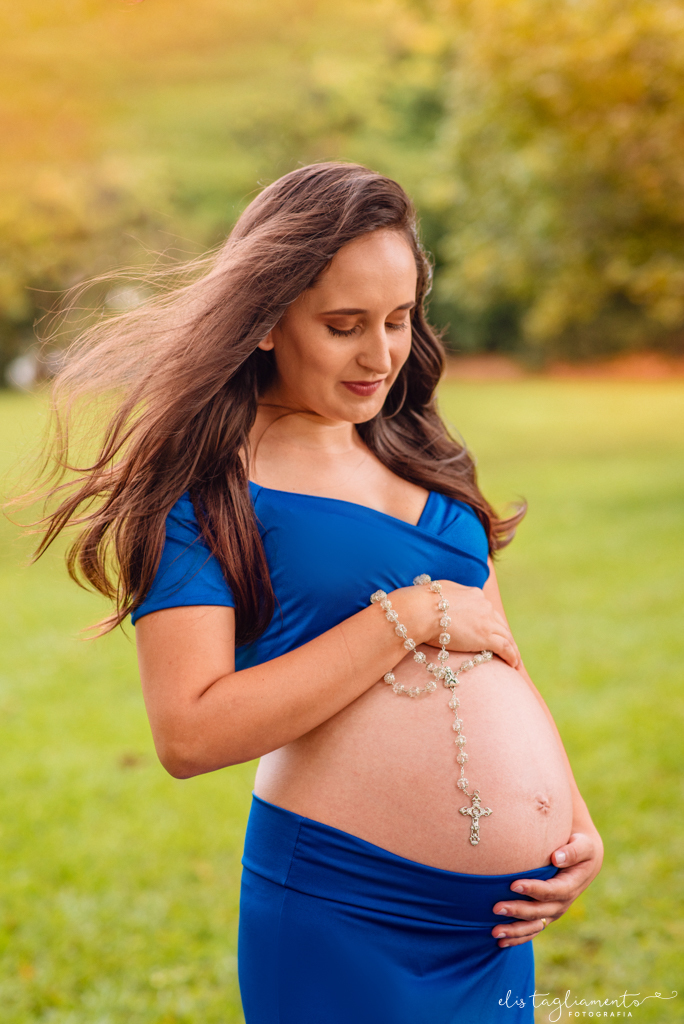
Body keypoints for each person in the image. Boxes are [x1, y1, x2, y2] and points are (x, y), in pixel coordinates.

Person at [37, 163, 603, 1023]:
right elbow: (188, 732)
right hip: (344, 912)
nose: (380, 355)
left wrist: (571, 816)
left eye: (398, 319)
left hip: (491, 931)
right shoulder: (206, 492)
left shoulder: (426, 457)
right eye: (344, 327)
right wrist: (401, 620)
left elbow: (497, 645)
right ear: (266, 321)